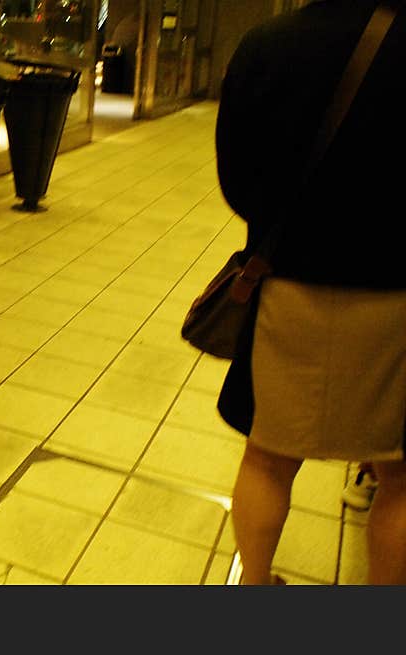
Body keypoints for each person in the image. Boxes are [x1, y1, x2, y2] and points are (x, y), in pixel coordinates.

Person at [213, 0, 405, 585]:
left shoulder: (267, 44)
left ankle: (255, 584)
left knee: (268, 458)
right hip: (396, 299)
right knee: (399, 475)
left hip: (285, 287)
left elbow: (236, 180)